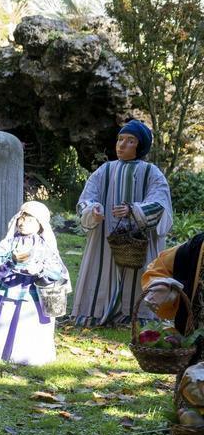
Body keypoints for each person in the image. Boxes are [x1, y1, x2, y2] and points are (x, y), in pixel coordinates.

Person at [70, 119, 173, 326]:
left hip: (139, 239)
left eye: (130, 141)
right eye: (120, 139)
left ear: (141, 145)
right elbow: (86, 199)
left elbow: (160, 203)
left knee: (139, 274)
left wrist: (134, 210)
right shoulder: (105, 171)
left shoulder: (151, 172)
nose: (121, 145)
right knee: (103, 271)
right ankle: (97, 310)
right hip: (106, 237)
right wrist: (94, 209)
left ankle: (137, 314)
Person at [141, 231, 204, 435]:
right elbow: (158, 270)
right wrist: (163, 289)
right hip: (198, 352)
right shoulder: (196, 248)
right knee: (192, 418)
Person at [0, 201, 69, 366]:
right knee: (7, 314)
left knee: (27, 323)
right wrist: (11, 259)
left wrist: (40, 270)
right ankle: (1, 349)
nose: (23, 223)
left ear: (40, 225)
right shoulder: (10, 242)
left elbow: (57, 270)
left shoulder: (44, 245)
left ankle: (25, 354)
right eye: (21, 219)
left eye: (30, 220)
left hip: (33, 294)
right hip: (11, 288)